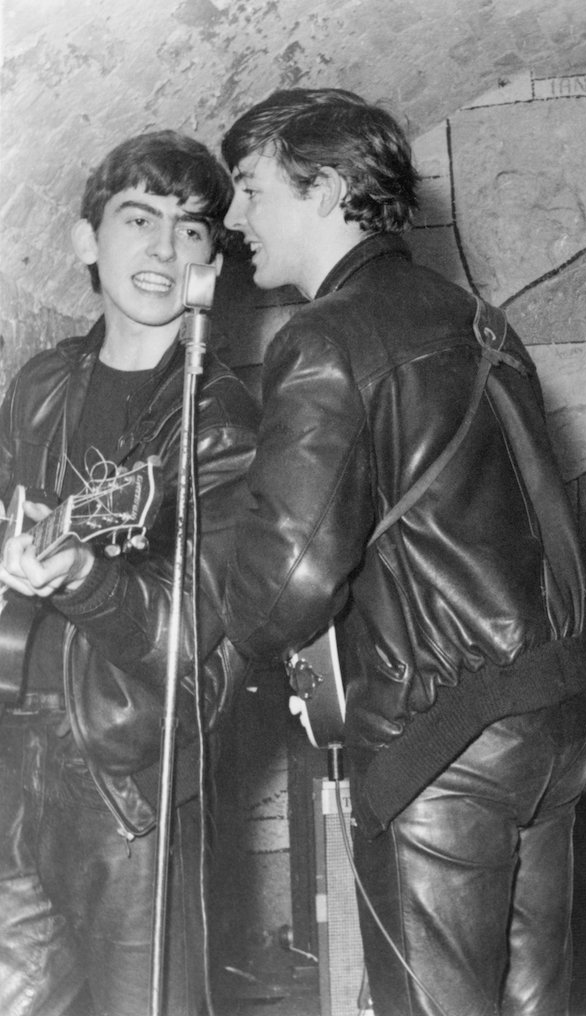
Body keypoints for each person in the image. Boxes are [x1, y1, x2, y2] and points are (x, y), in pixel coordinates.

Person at [218, 89, 586, 1016]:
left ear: (329, 188)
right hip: (549, 724)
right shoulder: (479, 320)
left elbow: (287, 586)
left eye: (250, 188)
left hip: (443, 745)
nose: (232, 220)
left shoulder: (326, 335)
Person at [0, 131, 259, 1016]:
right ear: (85, 241)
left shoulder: (218, 420)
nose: (162, 248)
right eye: (138, 218)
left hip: (127, 776)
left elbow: (184, 636)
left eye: (191, 231)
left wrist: (82, 575)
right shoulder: (40, 386)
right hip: (12, 758)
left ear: (211, 265)